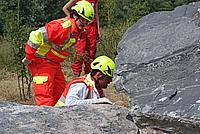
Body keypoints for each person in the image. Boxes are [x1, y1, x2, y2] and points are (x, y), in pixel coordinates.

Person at [22, 1, 94, 106]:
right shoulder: (61, 27)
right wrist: (29, 57)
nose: (84, 23)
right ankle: (45, 120)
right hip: (42, 62)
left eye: (87, 21)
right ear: (74, 15)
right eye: (83, 19)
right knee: (45, 97)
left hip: (54, 64)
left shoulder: (76, 31)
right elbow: (35, 36)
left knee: (61, 95)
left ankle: (60, 119)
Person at [63, 0, 100, 77]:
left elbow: (95, 14)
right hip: (81, 28)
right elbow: (65, 8)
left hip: (92, 28)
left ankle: (88, 77)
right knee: (79, 52)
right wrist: (72, 21)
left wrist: (98, 29)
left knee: (90, 53)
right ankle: (76, 75)